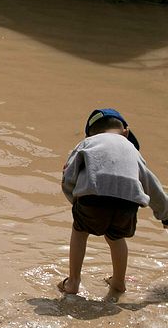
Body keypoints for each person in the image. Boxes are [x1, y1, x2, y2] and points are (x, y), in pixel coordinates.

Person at [58, 108, 168, 298]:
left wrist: (75, 201)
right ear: (126, 131)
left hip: (92, 198)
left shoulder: (87, 143)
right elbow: (150, 183)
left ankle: (74, 281)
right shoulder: (132, 150)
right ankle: (118, 281)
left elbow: (69, 175)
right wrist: (165, 214)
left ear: (90, 133)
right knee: (116, 237)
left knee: (80, 231)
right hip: (128, 203)